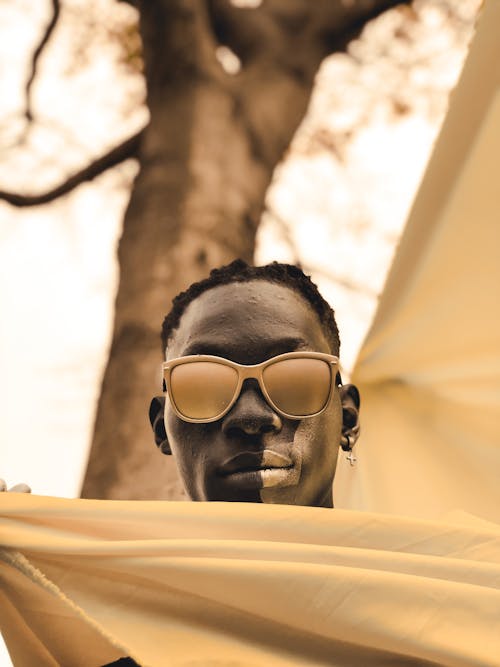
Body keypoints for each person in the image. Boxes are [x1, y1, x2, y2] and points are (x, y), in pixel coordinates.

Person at [148, 259, 360, 508]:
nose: (251, 417)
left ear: (347, 420)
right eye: (203, 385)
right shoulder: (103, 548)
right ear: (162, 428)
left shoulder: (408, 546)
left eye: (295, 381)